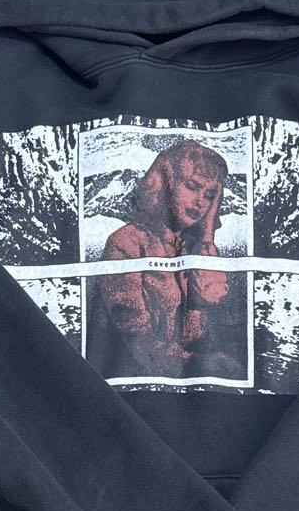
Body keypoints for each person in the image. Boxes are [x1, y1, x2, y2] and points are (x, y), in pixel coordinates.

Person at [86, 138, 242, 380]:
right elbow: (134, 334)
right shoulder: (125, 242)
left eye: (210, 195)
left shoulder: (189, 246)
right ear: (165, 183)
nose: (200, 201)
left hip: (181, 379)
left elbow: (208, 302)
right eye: (192, 186)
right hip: (128, 381)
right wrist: (195, 363)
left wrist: (207, 235)